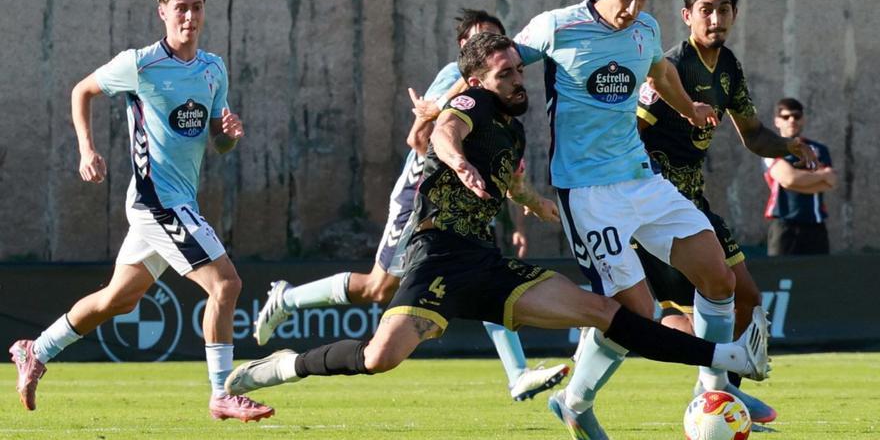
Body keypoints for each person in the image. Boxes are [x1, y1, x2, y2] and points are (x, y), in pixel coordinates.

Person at [222, 34, 770, 429]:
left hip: (484, 264)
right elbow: (446, 131)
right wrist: (456, 161)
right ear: (479, 80)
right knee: (378, 358)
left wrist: (532, 204)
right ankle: (280, 368)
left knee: (610, 314)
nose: (516, 79)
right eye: (505, 72)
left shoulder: (511, 127)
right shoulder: (472, 103)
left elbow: (505, 183)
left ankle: (721, 360)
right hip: (436, 256)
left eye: (518, 69)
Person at [512, 0, 771, 438]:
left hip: (642, 179)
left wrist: (690, 107)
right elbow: (498, 62)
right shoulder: (556, 27)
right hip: (587, 192)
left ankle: (712, 388)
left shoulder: (645, 30)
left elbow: (660, 72)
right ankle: (575, 403)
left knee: (718, 278)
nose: (632, 9)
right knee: (635, 314)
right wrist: (448, 106)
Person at [251, 10, 568, 402]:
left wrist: (525, 210)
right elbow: (419, 139)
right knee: (379, 287)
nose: (488, 47)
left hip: (465, 205)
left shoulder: (502, 94)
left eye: (495, 39)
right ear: (464, 51)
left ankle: (517, 373)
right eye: (477, 40)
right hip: (421, 198)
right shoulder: (454, 79)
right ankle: (287, 300)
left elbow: (505, 170)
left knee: (457, 275)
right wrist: (447, 138)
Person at [8, 0, 273, 422]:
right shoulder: (140, 64)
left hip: (177, 200)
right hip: (158, 202)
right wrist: (86, 149)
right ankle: (221, 393)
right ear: (163, 13)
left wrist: (229, 134)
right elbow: (82, 91)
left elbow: (217, 141)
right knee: (226, 284)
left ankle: (37, 348)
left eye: (197, 6)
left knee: (118, 300)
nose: (189, 15)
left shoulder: (213, 68)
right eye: (180, 8)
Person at [633, 0, 817, 423]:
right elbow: (629, 134)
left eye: (724, 9)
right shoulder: (669, 69)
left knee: (749, 298)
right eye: (706, 10)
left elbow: (752, 134)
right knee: (686, 315)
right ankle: (712, 389)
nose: (716, 18)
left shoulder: (729, 67)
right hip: (657, 209)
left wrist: (785, 146)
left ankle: (721, 393)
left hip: (694, 202)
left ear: (735, 13)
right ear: (687, 15)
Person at [764, 97, 836, 255]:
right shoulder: (770, 147)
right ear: (777, 121)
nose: (792, 120)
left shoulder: (818, 149)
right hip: (784, 225)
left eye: (796, 116)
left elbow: (830, 182)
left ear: (803, 119)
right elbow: (789, 179)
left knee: (818, 277)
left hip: (815, 226)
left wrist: (799, 180)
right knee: (780, 277)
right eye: (786, 116)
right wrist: (821, 175)